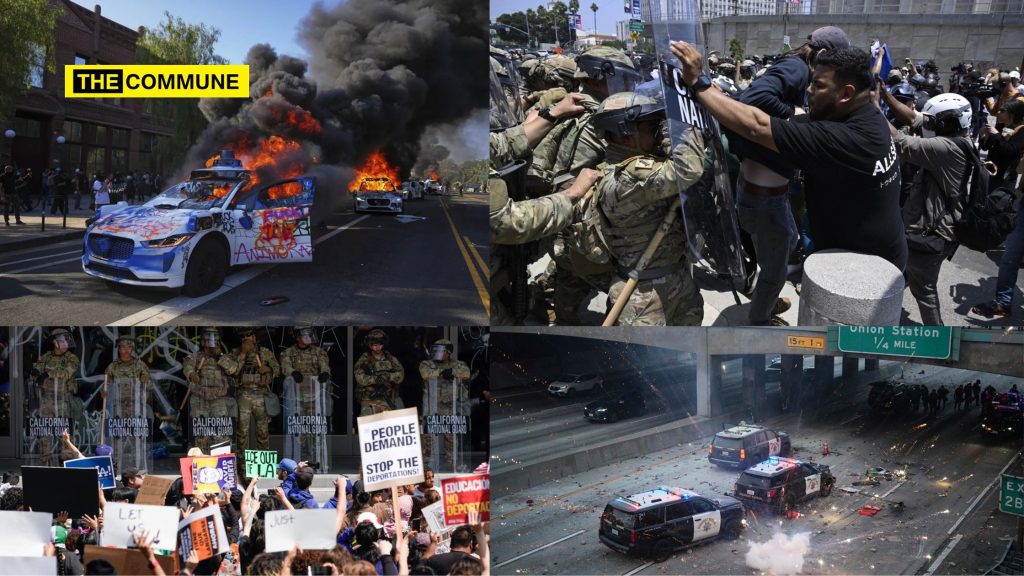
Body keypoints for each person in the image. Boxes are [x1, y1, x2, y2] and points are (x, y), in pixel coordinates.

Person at [673, 42, 908, 272]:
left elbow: (758, 127)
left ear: (846, 93)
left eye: (818, 85)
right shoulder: (866, 117)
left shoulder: (846, 139)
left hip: (868, 271)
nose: (808, 90)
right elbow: (766, 122)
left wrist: (697, 83)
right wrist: (711, 89)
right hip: (861, 255)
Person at [728, 27, 850, 325]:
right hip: (762, 197)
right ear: (822, 54)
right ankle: (759, 320)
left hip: (770, 193)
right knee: (776, 268)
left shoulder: (799, 68)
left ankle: (765, 301)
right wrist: (793, 113)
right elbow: (752, 96)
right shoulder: (796, 67)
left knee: (786, 244)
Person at [583, 88, 707, 325]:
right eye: (652, 128)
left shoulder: (645, 165)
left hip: (676, 280)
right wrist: (682, 128)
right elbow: (687, 169)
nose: (658, 134)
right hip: (642, 296)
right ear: (625, 133)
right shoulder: (625, 178)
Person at [885, 92, 973, 325]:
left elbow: (898, 142)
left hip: (933, 232)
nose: (929, 124)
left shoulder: (946, 147)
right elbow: (915, 117)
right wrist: (883, 93)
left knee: (924, 290)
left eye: (934, 121)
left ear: (946, 123)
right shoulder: (960, 137)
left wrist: (868, 105)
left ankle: (938, 345)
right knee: (906, 272)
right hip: (937, 227)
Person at [227, 327, 279, 468]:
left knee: (262, 430)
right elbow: (231, 370)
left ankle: (262, 465)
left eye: (249, 336)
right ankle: (242, 463)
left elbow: (277, 369)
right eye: (243, 336)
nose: (246, 339)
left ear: (255, 337)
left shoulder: (265, 352)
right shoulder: (235, 352)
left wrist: (268, 370)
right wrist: (243, 354)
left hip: (261, 395)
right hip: (243, 394)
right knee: (242, 431)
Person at [280, 327, 332, 464]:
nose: (309, 337)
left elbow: (324, 366)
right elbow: (285, 367)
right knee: (299, 430)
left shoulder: (318, 352)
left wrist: (324, 373)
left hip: (314, 398)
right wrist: (293, 373)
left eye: (310, 335)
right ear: (298, 337)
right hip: (296, 398)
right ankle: (301, 459)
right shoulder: (288, 353)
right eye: (305, 335)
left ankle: (317, 459)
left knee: (315, 429)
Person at [418, 339, 471, 471]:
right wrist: (441, 372)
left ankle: (453, 464)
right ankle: (426, 465)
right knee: (429, 436)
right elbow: (425, 374)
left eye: (441, 351)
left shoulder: (457, 364)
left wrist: (452, 372)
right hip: (432, 405)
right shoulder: (427, 363)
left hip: (450, 405)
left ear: (448, 352)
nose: (438, 354)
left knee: (451, 436)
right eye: (435, 350)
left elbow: (466, 373)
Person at [181, 327, 236, 453]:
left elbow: (233, 369)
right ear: (203, 341)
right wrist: (192, 374)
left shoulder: (224, 358)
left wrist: (220, 356)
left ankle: (220, 463)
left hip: (219, 399)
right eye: (208, 338)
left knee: (221, 433)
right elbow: (187, 367)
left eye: (214, 338)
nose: (211, 342)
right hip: (200, 399)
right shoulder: (195, 357)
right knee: (200, 434)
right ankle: (201, 464)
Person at [103, 335, 153, 471]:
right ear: (118, 349)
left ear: (132, 349)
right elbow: (106, 386)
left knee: (136, 439)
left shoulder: (140, 365)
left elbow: (149, 386)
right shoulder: (112, 367)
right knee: (117, 439)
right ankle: (116, 469)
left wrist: (145, 382)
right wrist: (105, 393)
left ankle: (137, 469)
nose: (126, 350)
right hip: (117, 408)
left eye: (129, 347)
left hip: (135, 408)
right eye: (123, 347)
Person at [31, 328, 80, 466]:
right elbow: (36, 370)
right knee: (45, 437)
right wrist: (36, 372)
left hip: (63, 402)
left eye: (67, 340)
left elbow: (66, 373)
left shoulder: (71, 358)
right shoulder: (46, 357)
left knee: (64, 438)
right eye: (63, 341)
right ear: (55, 342)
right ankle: (46, 467)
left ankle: (66, 467)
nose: (66, 343)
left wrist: (47, 374)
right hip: (46, 401)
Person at [353, 329, 404, 416]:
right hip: (369, 400)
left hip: (388, 398)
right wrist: (375, 379)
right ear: (369, 345)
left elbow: (400, 374)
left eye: (380, 344)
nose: (377, 347)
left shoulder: (390, 358)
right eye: (374, 345)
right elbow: (359, 377)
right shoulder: (365, 359)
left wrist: (388, 376)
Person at [979, 99, 1024, 191]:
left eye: (1002, 111)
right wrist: (984, 135)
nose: (998, 112)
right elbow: (985, 147)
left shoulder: (1021, 130)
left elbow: (1010, 150)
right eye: (999, 110)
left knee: (999, 201)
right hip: (991, 169)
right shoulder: (999, 126)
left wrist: (996, 135)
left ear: (1013, 113)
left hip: (1006, 174)